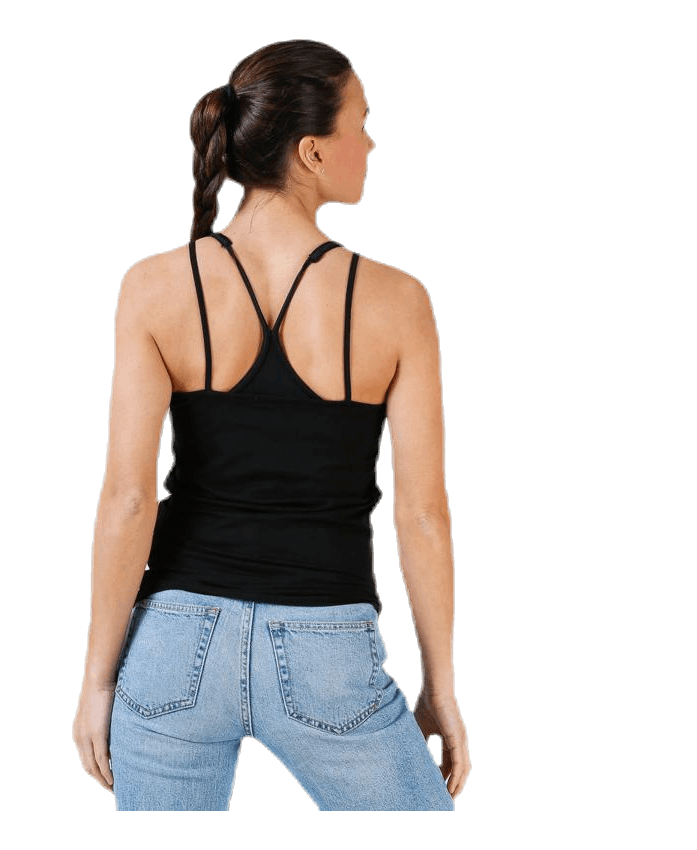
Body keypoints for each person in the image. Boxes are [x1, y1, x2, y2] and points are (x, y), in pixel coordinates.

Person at [72, 38, 470, 811]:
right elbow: (424, 516)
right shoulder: (397, 301)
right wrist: (441, 687)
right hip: (328, 651)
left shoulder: (154, 285)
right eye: (362, 122)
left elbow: (127, 498)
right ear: (313, 151)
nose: (371, 143)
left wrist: (96, 681)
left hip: (175, 647)